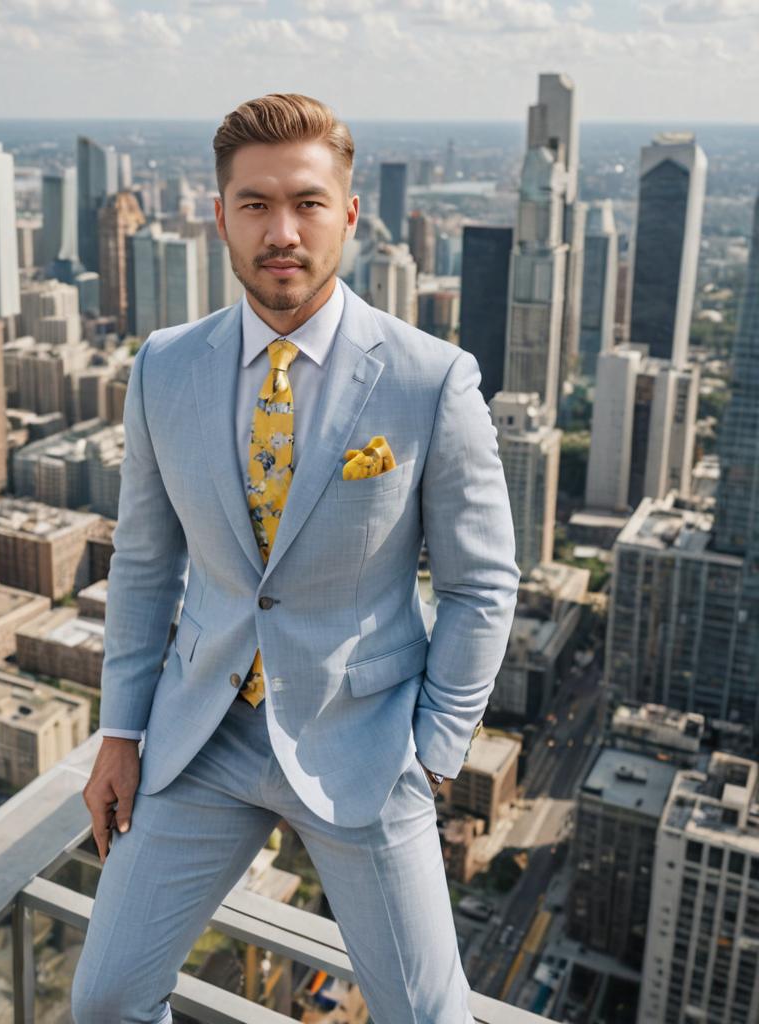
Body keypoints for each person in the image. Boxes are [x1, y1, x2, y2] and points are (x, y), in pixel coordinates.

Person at [70, 92, 520, 1023]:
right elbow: (147, 563)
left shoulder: (430, 378)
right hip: (204, 737)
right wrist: (120, 732)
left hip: (366, 741)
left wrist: (432, 751)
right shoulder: (162, 366)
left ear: (349, 214)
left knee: (430, 1017)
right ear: (219, 215)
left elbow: (482, 584)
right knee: (107, 999)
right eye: (256, 204)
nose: (283, 231)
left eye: (308, 202)